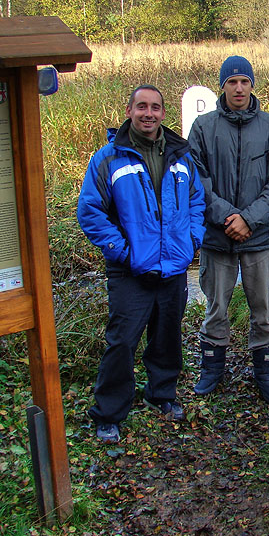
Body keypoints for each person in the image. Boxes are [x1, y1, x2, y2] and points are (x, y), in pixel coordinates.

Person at [77, 84, 205, 443]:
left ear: (163, 113)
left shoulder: (182, 157)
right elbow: (90, 212)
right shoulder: (109, 159)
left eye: (155, 108)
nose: (149, 114)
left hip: (173, 267)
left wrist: (192, 239)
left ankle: (160, 395)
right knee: (122, 342)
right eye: (142, 107)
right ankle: (108, 413)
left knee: (167, 337)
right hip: (130, 270)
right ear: (130, 111)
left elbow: (197, 201)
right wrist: (123, 251)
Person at [188, 56, 269, 405]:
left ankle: (265, 375)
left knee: (262, 309)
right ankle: (211, 371)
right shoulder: (203, 127)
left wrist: (249, 218)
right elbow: (196, 178)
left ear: (252, 85)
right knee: (216, 308)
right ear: (222, 86)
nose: (238, 88)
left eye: (244, 81)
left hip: (258, 236)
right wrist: (227, 217)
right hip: (217, 237)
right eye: (231, 82)